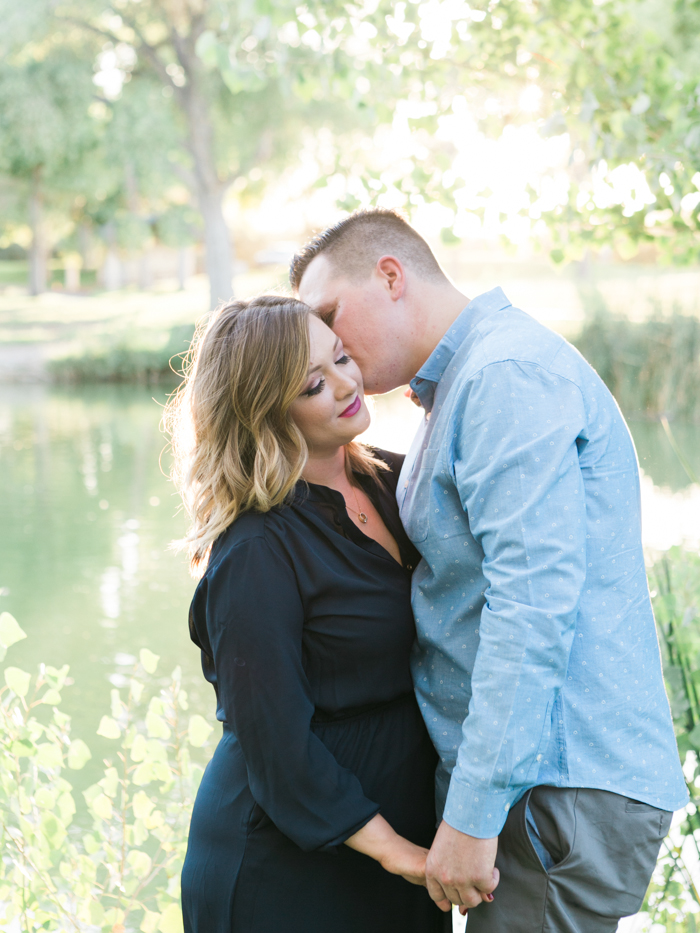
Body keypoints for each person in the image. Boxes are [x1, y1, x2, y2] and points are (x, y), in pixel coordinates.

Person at [291, 208, 689, 932]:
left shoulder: (503, 375)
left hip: (555, 781)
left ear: (390, 276)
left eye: (328, 313)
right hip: (536, 782)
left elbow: (532, 604)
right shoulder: (461, 385)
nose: (325, 342)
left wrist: (473, 813)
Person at [167, 295, 446, 933]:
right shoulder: (258, 550)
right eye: (314, 385)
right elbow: (275, 747)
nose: (347, 384)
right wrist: (401, 854)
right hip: (282, 867)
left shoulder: (395, 485)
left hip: (392, 848)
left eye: (342, 357)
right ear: (265, 412)